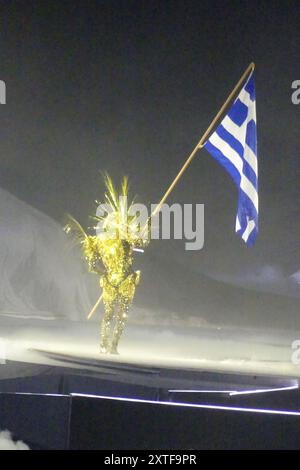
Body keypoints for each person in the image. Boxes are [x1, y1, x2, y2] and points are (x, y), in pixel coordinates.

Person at [65, 174, 148, 354]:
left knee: (113, 315)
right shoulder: (122, 240)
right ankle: (110, 345)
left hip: (114, 281)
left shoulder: (106, 241)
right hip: (123, 281)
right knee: (119, 315)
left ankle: (108, 345)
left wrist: (101, 271)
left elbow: (91, 263)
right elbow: (141, 243)